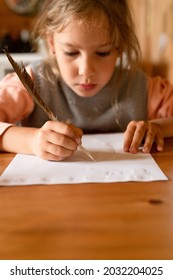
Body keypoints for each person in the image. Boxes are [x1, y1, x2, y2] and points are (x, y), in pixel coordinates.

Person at [0, 0, 173, 161]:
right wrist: (32, 141)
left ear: (120, 46)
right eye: (71, 52)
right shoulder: (32, 82)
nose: (86, 71)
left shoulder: (142, 88)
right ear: (51, 43)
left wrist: (159, 128)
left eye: (103, 53)